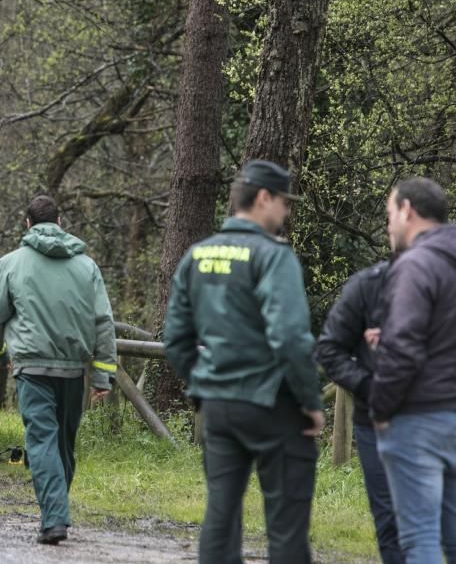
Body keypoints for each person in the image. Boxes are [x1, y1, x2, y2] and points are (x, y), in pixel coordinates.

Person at [163, 159, 325, 564]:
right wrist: (310, 401)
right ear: (264, 198)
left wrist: (203, 382)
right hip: (275, 405)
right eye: (284, 202)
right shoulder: (273, 257)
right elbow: (289, 336)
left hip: (218, 408)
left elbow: (176, 338)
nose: (287, 212)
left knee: (220, 514)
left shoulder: (197, 256)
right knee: (286, 525)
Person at [0, 195, 116, 545]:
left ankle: (54, 516)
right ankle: (56, 512)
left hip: (32, 367)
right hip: (73, 370)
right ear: (60, 221)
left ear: (27, 224)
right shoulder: (87, 266)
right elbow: (103, 323)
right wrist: (102, 376)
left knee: (42, 442)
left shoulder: (12, 263)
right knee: (63, 446)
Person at [371, 177, 456, 563]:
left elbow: (403, 347)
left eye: (390, 214)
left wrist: (381, 408)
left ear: (407, 210)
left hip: (420, 416)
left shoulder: (416, 265)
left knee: (420, 538)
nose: (388, 225)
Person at [315, 260, 402, 563]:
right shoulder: (369, 284)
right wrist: (368, 387)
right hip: (375, 420)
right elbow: (329, 349)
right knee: (389, 520)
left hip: (435, 418)